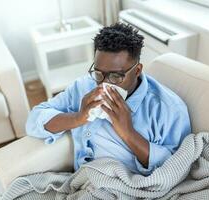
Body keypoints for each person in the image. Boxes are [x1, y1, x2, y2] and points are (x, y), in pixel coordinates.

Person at [26, 23, 191, 176]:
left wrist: (128, 133)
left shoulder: (168, 108)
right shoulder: (82, 87)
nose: (104, 83)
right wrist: (77, 118)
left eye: (116, 76)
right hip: (82, 178)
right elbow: (34, 119)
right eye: (98, 73)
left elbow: (176, 167)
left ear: (137, 70)